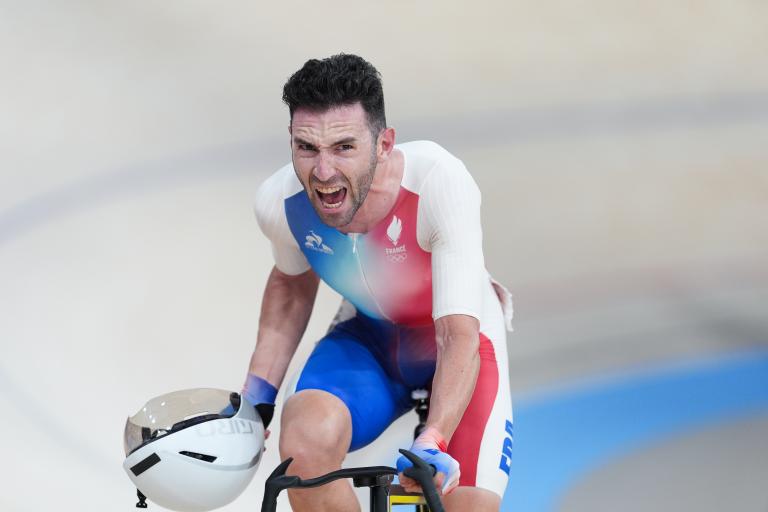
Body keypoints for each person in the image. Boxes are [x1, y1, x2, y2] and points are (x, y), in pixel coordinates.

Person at [242, 53, 514, 512]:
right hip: (370, 338)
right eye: (307, 148)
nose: (323, 172)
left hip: (460, 339)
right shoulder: (280, 202)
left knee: (466, 506)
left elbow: (457, 335)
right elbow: (290, 285)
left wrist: (435, 437)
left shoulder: (438, 183)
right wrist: (256, 399)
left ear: (385, 144)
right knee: (305, 441)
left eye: (344, 147)